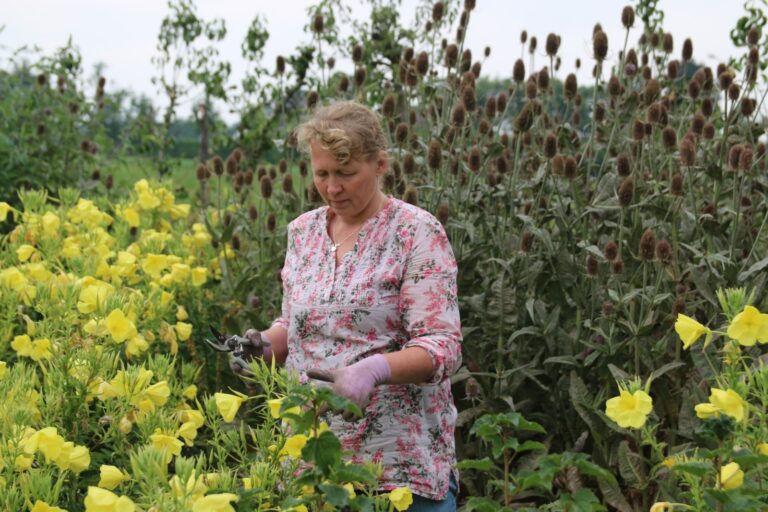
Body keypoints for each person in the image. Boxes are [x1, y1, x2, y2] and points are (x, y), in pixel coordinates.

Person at [233, 100, 462, 509]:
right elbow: (295, 324)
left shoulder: (416, 233)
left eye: (347, 173)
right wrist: (264, 347)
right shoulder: (302, 233)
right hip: (311, 457)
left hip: (395, 470)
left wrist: (374, 370)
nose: (332, 187)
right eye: (322, 174)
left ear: (380, 165)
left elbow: (442, 346)